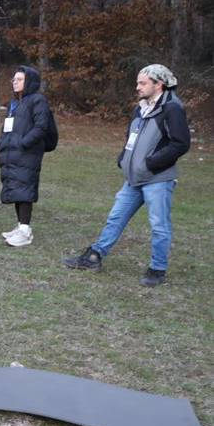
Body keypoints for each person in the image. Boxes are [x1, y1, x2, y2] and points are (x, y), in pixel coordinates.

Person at [63, 65, 190, 287]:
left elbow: (180, 144)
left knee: (159, 226)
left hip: (157, 179)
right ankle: (94, 257)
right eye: (138, 82)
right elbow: (131, 137)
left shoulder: (172, 109)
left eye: (143, 83)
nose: (137, 87)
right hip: (133, 179)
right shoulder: (140, 109)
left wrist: (151, 164)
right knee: (116, 218)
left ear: (158, 84)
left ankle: (157, 269)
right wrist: (124, 158)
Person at [0, 66, 52, 247]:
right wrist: (2, 142)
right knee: (15, 186)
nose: (15, 82)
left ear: (30, 81)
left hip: (27, 153)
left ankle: (25, 230)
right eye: (14, 79)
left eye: (19, 79)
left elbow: (41, 127)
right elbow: (8, 127)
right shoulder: (15, 103)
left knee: (25, 188)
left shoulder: (38, 101)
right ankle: (21, 226)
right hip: (11, 152)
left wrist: (23, 143)